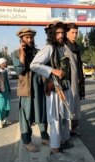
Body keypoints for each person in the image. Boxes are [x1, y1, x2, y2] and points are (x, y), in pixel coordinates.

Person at [30, 21, 75, 154]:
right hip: (54, 88)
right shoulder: (49, 48)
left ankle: (63, 141)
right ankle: (55, 148)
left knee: (65, 116)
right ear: (52, 34)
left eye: (62, 32)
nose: (60, 35)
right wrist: (52, 70)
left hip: (65, 87)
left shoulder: (64, 47)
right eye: (57, 33)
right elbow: (34, 65)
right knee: (55, 118)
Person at [11, 27, 49, 152]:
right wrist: (22, 55)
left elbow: (45, 69)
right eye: (27, 37)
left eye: (31, 37)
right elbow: (19, 70)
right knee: (26, 115)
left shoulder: (38, 52)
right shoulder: (15, 53)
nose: (30, 39)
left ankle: (44, 136)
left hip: (39, 87)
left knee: (41, 112)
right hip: (26, 89)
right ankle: (27, 141)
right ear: (21, 39)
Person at [65, 23, 85, 137]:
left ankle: (73, 129)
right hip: (68, 80)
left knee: (76, 104)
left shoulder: (76, 47)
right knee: (69, 105)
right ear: (67, 33)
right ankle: (67, 131)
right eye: (72, 32)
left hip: (76, 80)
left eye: (76, 33)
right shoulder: (64, 46)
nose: (75, 35)